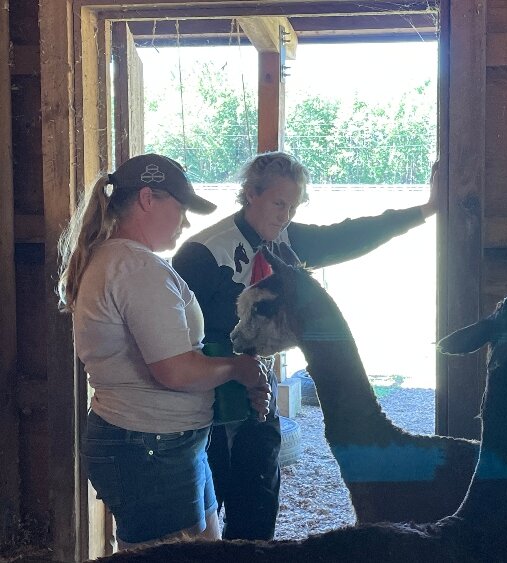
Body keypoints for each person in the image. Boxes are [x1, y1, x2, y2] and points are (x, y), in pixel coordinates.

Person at [172, 151, 438, 541]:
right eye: (279, 203)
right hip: (209, 407)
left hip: (257, 401)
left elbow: (347, 235)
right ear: (251, 194)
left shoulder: (283, 242)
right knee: (208, 523)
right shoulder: (203, 253)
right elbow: (179, 335)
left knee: (258, 514)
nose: (286, 215)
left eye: (293, 207)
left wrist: (426, 210)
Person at [57, 153, 271, 549]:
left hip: (161, 441)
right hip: (150, 445)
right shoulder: (135, 269)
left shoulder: (121, 260)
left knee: (206, 545)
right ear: (147, 199)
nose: (186, 222)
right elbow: (175, 371)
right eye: (181, 208)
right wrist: (237, 368)